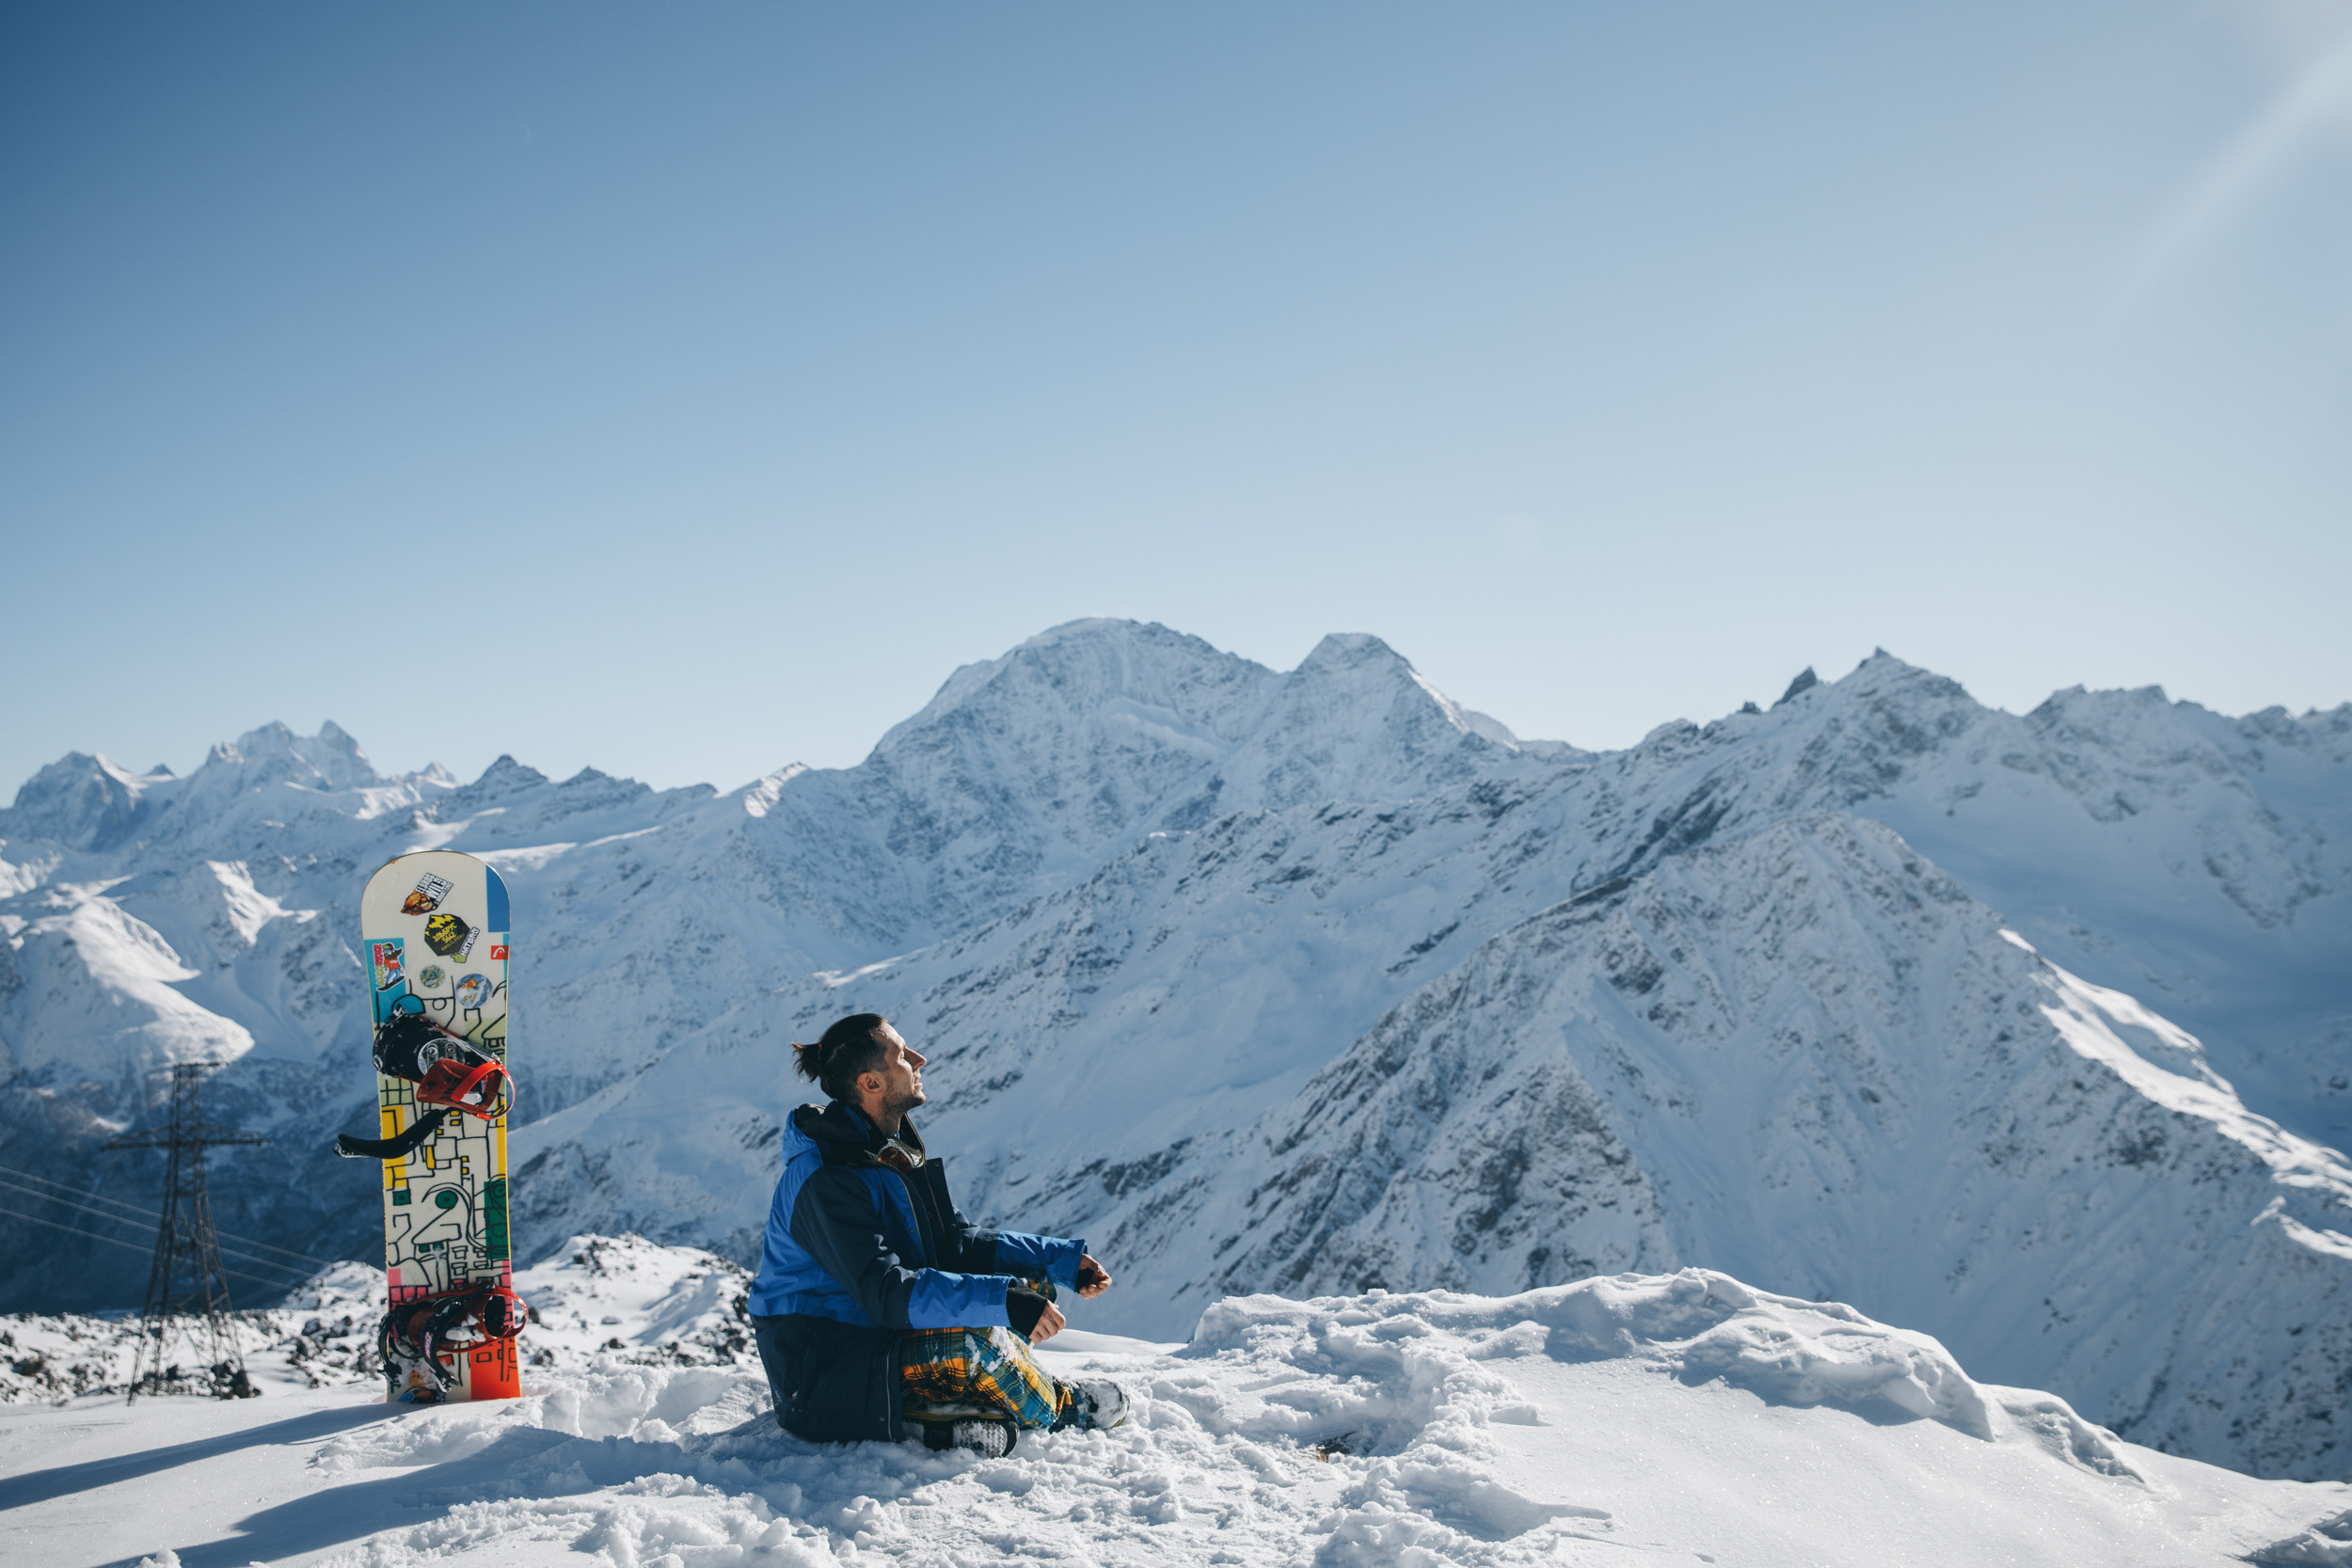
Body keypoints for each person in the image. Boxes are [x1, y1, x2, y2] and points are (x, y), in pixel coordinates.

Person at [747, 1012, 1128, 1456]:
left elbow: (956, 1242)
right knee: (977, 1336)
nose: (919, 1059)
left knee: (1031, 1286)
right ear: (871, 1084)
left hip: (871, 1338)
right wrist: (1004, 1300)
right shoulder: (827, 1178)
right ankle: (1062, 1409)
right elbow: (887, 1292)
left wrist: (1058, 1260)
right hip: (823, 1374)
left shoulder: (883, 1151)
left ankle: (942, 1416)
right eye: (902, 1055)